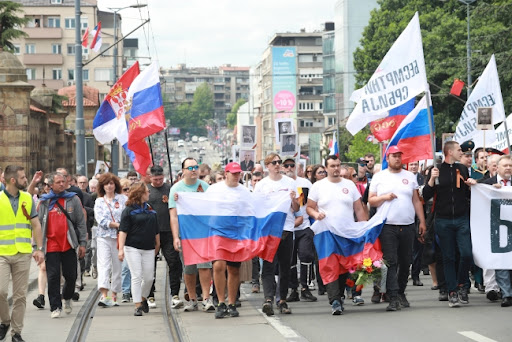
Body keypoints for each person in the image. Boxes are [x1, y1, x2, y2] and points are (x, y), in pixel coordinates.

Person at [306, 155, 368, 315]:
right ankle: (334, 300)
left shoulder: (349, 185)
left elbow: (359, 209)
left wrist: (364, 227)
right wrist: (316, 215)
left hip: (347, 232)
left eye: (338, 166)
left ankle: (339, 296)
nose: (335, 169)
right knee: (329, 266)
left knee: (345, 266)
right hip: (327, 232)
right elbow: (309, 207)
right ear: (326, 168)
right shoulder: (318, 186)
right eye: (332, 166)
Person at [368, 146, 426, 311]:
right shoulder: (379, 177)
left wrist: (421, 221)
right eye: (394, 156)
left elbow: (416, 201)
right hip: (387, 226)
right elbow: (371, 201)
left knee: (406, 261)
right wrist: (384, 197)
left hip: (407, 225)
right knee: (391, 261)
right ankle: (392, 297)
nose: (397, 159)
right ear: (388, 158)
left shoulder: (409, 176)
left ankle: (401, 291)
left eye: (399, 156)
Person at [423, 141, 477, 308]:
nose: (462, 152)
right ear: (449, 152)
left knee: (467, 254)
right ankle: (452, 291)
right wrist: (432, 179)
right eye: (459, 150)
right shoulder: (437, 169)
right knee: (448, 256)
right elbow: (426, 195)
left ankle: (462, 284)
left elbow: (466, 189)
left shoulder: (462, 168)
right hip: (443, 220)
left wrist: (472, 186)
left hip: (461, 218)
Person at [0, 166, 44, 342]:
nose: (26, 180)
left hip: (23, 253)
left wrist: (39, 249)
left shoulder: (27, 198)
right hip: (2, 253)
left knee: (20, 296)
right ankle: (5, 321)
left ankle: (16, 333)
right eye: (23, 177)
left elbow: (36, 225)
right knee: (1, 291)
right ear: (13, 180)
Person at [253, 153, 299, 316]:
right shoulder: (261, 185)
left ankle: (282, 300)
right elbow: (256, 207)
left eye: (279, 162)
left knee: (285, 267)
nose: (278, 165)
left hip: (286, 229)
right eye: (274, 163)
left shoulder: (291, 182)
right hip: (269, 231)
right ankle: (268, 299)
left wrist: (293, 199)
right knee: (268, 266)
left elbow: (297, 207)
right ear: (267, 166)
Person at [38, 172, 86, 318]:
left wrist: (83, 243)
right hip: (51, 244)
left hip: (69, 243)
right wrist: (37, 247)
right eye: (58, 182)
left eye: (63, 182)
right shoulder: (44, 202)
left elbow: (80, 223)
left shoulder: (73, 199)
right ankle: (55, 306)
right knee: (53, 277)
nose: (61, 184)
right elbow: (38, 224)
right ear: (51, 185)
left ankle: (67, 296)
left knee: (71, 276)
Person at [169, 158, 214, 312]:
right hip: (186, 235)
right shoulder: (176, 189)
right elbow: (173, 216)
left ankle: (206, 298)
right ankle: (192, 299)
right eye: (190, 168)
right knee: (188, 269)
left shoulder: (206, 187)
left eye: (195, 167)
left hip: (203, 234)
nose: (193, 170)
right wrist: (175, 237)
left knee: (205, 266)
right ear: (183, 171)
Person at [205, 162, 247, 318]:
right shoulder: (214, 189)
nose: (236, 176)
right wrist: (180, 198)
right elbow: (201, 205)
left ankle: (232, 302)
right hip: (217, 231)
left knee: (234, 269)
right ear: (226, 173)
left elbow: (253, 208)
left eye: (238, 174)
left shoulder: (244, 191)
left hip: (236, 233)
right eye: (233, 173)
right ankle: (221, 302)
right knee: (218, 265)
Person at [118, 182, 161, 316]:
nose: (149, 193)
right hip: (132, 247)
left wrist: (157, 244)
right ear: (140, 193)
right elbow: (123, 231)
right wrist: (121, 249)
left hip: (148, 247)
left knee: (149, 277)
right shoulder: (128, 210)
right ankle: (137, 305)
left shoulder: (150, 208)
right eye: (147, 191)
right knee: (136, 275)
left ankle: (143, 298)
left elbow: (155, 228)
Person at [282, 157, 317, 303]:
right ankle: (293, 289)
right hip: (288, 228)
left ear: (296, 167)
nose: (289, 168)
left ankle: (305, 287)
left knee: (306, 255)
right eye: (287, 166)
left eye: (292, 165)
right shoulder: (281, 184)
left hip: (304, 226)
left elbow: (305, 205)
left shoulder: (304, 184)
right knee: (290, 259)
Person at [147, 166, 183, 309]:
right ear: (150, 178)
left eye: (161, 179)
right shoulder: (146, 191)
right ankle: (149, 295)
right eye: (155, 179)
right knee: (150, 266)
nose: (158, 181)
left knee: (174, 262)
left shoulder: (170, 189)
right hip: (150, 233)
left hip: (168, 232)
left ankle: (175, 293)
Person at [481, 155, 512, 307]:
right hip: (497, 229)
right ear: (497, 168)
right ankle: (507, 294)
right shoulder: (487, 184)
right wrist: (493, 191)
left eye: (510, 166)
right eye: (505, 165)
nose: (508, 168)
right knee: (501, 261)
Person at [94, 173, 127, 307]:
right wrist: (117, 225)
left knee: (117, 265)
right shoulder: (99, 201)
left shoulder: (123, 199)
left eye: (111, 183)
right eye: (106, 184)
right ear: (102, 186)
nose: (109, 186)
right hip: (104, 236)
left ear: (115, 185)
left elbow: (126, 215)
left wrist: (122, 227)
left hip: (120, 237)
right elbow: (100, 220)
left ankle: (114, 294)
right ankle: (104, 294)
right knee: (104, 265)